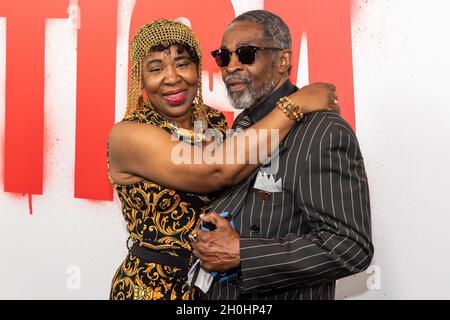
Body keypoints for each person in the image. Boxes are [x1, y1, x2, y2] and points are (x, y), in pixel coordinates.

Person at [107, 19, 339, 300]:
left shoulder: (215, 120)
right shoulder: (128, 135)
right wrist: (296, 104)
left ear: (197, 69)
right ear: (140, 78)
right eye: (156, 69)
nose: (172, 77)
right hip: (151, 289)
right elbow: (216, 171)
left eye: (182, 64)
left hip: (216, 289)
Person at [192, 10, 374, 300]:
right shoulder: (242, 124)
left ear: (283, 61)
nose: (231, 67)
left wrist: (243, 254)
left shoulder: (324, 131)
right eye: (224, 57)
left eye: (246, 54)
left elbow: (350, 246)